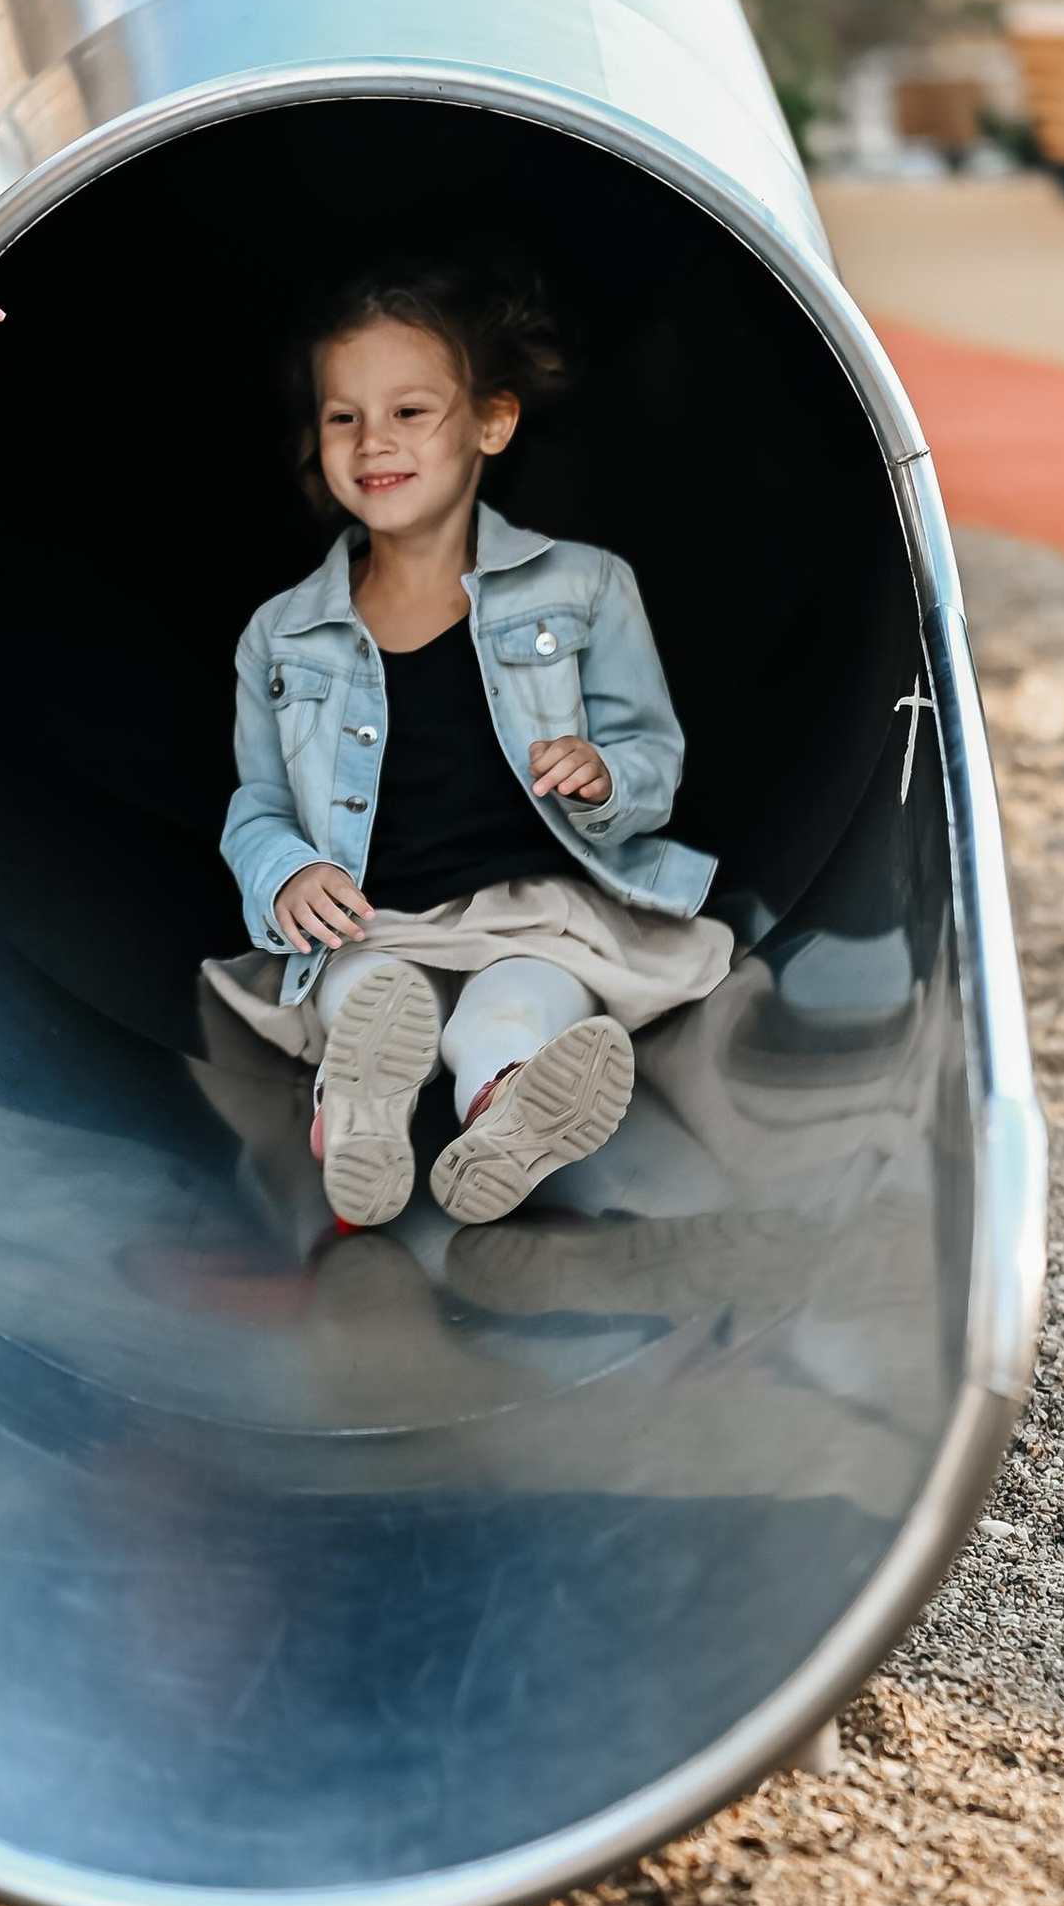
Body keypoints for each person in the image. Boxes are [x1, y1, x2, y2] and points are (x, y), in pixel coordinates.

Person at [210, 260, 732, 1230]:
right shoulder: (280, 633)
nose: (374, 442)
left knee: (515, 1005)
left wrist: (606, 775)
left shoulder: (584, 588)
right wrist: (284, 873)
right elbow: (259, 803)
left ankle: (502, 1112)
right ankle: (359, 1116)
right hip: (375, 917)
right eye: (343, 417)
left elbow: (650, 752)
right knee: (369, 997)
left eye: (410, 410)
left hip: (536, 910)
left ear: (491, 422)